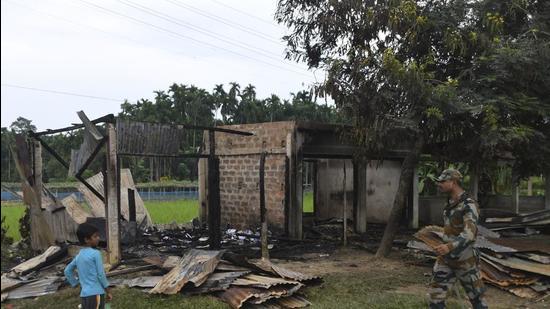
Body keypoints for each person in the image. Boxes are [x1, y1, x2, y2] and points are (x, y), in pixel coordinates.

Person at [429, 168, 488, 309]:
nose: (439, 184)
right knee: (435, 299)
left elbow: (469, 234)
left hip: (465, 260)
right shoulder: (449, 203)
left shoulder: (469, 204)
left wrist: (448, 246)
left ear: (453, 182)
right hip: (446, 259)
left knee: (477, 301)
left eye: (443, 181)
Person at [64, 223, 112, 309]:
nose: (98, 238)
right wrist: (108, 291)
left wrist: (75, 283)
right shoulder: (96, 254)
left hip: (84, 295)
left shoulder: (79, 256)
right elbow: (101, 275)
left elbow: (67, 270)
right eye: (95, 236)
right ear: (86, 239)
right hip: (96, 293)